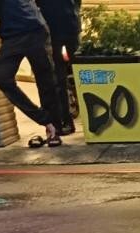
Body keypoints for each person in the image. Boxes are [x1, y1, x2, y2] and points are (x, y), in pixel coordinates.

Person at [0, 0, 63, 147]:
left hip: (35, 29)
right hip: (11, 36)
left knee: (45, 81)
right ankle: (44, 119)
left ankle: (53, 129)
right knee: (3, 78)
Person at [37, 0, 81, 135]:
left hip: (70, 26)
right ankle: (65, 121)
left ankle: (75, 117)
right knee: (58, 79)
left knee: (79, 72)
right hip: (52, 31)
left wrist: (75, 11)